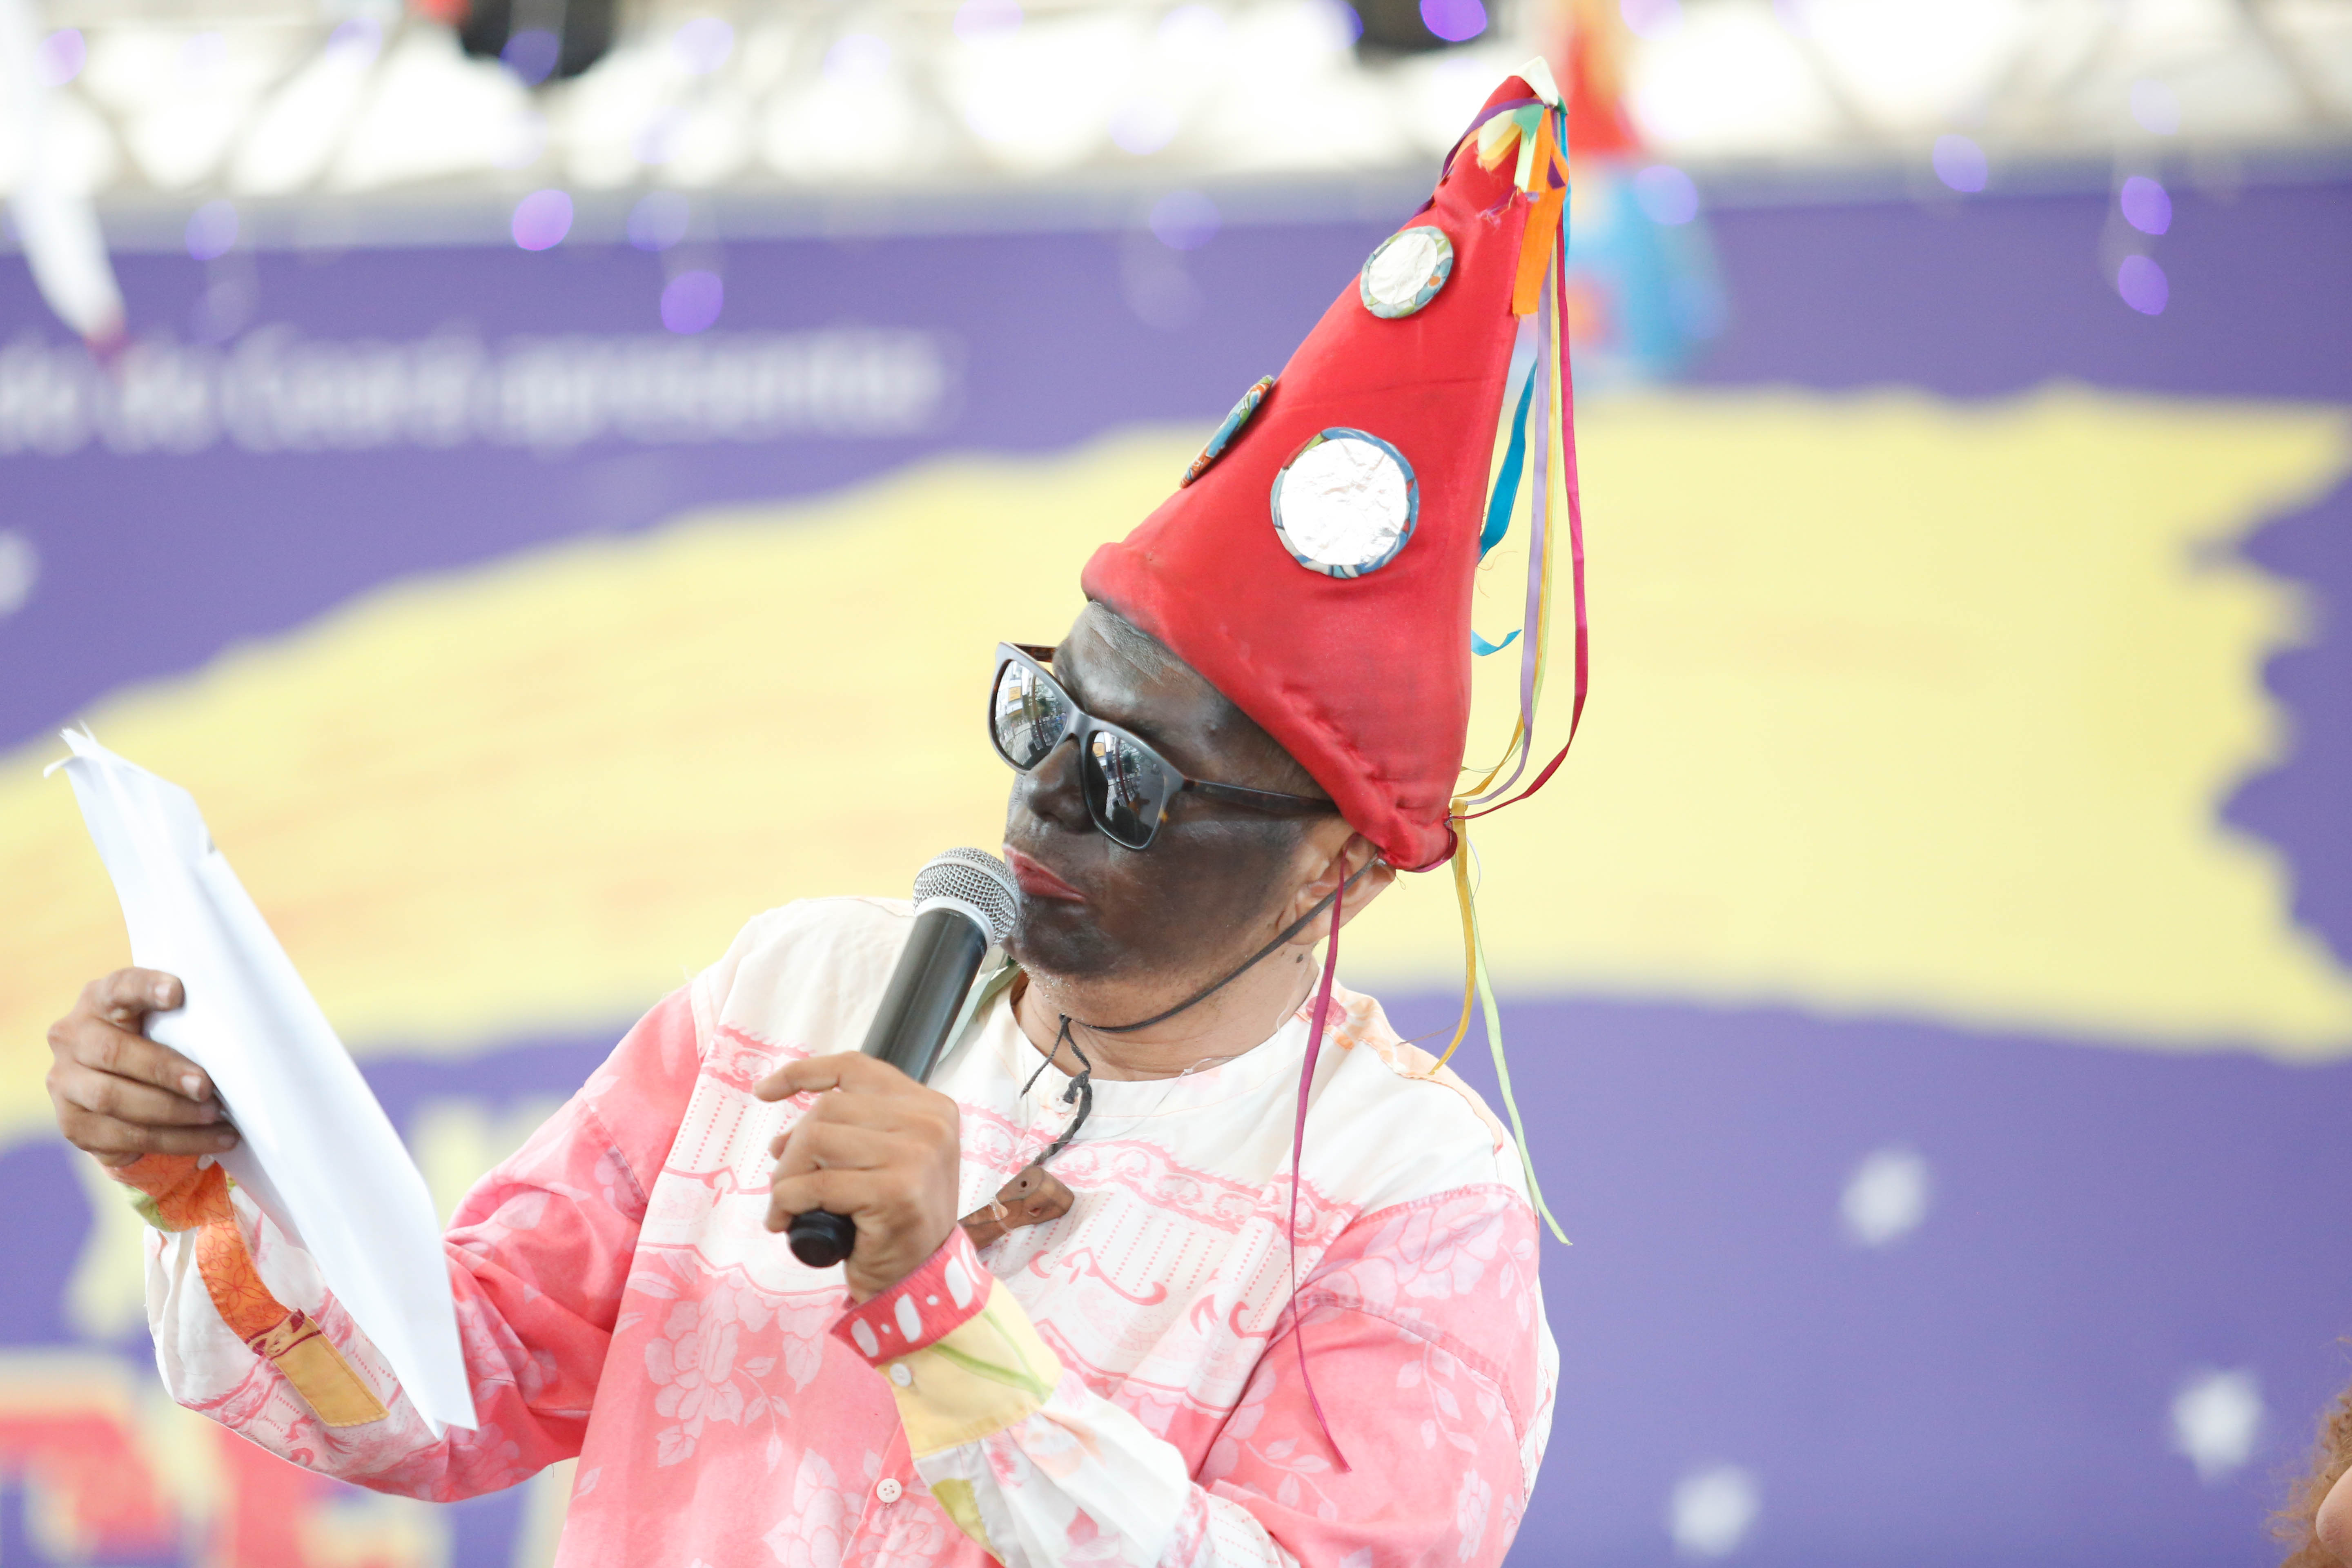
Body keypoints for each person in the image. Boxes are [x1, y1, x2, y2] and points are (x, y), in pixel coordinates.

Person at [45, 62, 1586, 1568]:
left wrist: (942, 1316)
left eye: (1130, 777)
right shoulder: (798, 991)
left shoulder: (1406, 1196)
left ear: (1335, 869)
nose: (1045, 789)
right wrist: (214, 1174)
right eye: (1042, 711)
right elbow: (456, 1392)